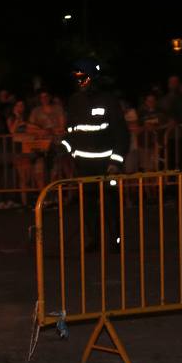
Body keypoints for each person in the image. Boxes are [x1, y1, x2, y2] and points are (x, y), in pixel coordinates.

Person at [60, 59, 129, 251]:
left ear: (92, 78)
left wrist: (115, 163)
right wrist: (63, 148)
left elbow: (121, 134)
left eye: (82, 77)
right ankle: (94, 240)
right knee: (88, 206)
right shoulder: (74, 101)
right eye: (77, 78)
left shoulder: (108, 100)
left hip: (106, 165)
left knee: (111, 205)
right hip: (84, 166)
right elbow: (72, 131)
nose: (79, 81)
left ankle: (116, 240)